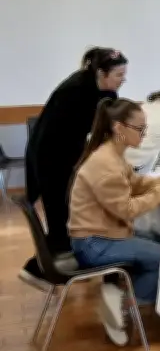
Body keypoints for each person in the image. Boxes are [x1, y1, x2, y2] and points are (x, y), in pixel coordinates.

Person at [69, 98, 160, 346]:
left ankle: (119, 293)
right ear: (118, 127)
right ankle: (122, 305)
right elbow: (128, 209)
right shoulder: (105, 164)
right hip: (94, 243)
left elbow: (134, 183)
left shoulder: (113, 154)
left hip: (104, 235)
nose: (144, 135)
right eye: (139, 129)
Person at [20, 47, 128, 290]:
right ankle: (40, 268)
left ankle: (44, 267)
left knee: (68, 219)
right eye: (119, 75)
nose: (123, 80)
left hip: (57, 156)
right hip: (50, 160)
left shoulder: (94, 88)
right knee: (63, 221)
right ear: (101, 73)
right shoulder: (77, 91)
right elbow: (84, 135)